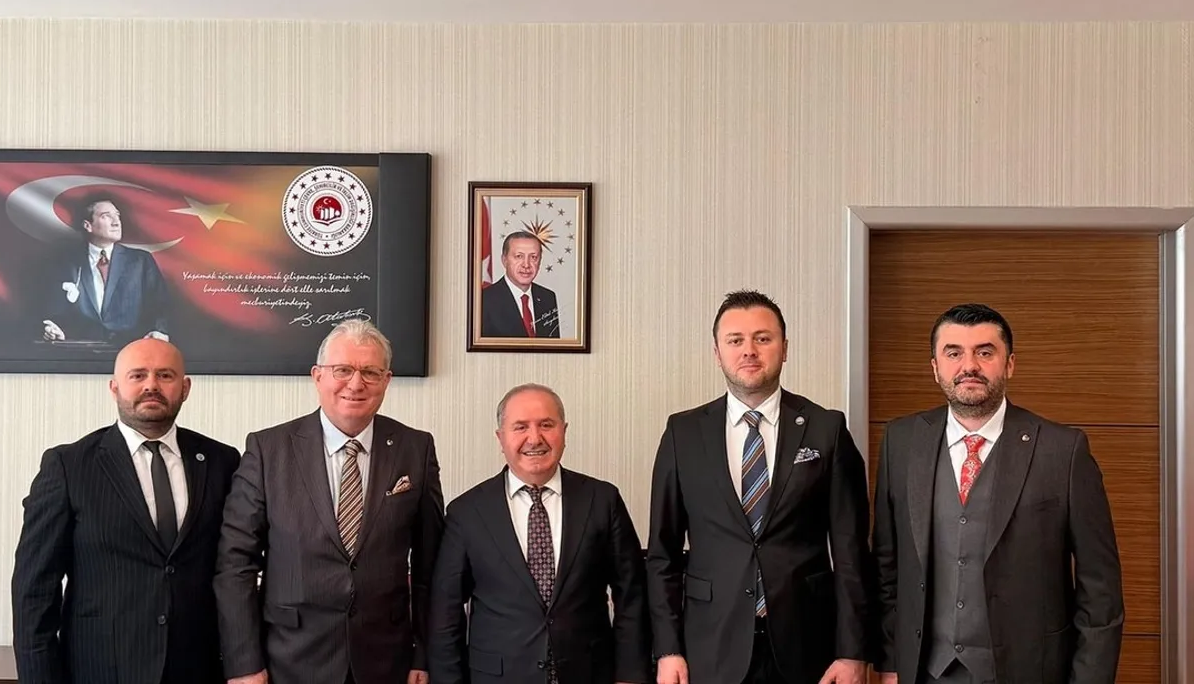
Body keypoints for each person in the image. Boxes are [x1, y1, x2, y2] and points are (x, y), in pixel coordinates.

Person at [872, 303, 1124, 684]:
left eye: (985, 352)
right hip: (925, 672)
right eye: (953, 353)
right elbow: (886, 565)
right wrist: (891, 663)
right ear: (935, 368)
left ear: (1009, 364)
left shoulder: (1063, 451)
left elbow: (1100, 592)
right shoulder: (901, 442)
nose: (969, 366)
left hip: (1029, 671)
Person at [647, 289, 872, 684]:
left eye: (762, 338)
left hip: (808, 645)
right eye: (735, 340)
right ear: (717, 353)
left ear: (784, 348)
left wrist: (852, 652)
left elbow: (851, 551)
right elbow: (662, 554)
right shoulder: (683, 433)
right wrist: (667, 649)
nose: (749, 350)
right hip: (710, 646)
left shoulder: (827, 429)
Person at [214, 319, 446, 684]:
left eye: (370, 372)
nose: (356, 383)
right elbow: (235, 564)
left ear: (387, 380)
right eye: (342, 370)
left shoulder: (415, 449)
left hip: (387, 660)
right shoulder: (268, 450)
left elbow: (431, 565)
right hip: (290, 658)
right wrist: (244, 663)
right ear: (317, 376)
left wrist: (424, 653)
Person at [11, 339, 240, 684]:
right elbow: (34, 588)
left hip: (199, 667)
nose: (151, 385)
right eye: (138, 375)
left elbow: (236, 569)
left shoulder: (222, 461)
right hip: (100, 669)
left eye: (165, 375)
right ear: (114, 388)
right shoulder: (69, 466)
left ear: (185, 388)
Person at [428, 384, 651, 684]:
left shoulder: (602, 500)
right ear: (500, 438)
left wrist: (630, 675)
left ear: (564, 431)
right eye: (520, 427)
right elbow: (446, 611)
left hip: (589, 672)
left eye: (546, 425)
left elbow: (632, 594)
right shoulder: (466, 512)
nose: (534, 438)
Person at [42, 191, 169, 344]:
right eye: (106, 216)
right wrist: (54, 328)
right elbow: (54, 309)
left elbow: (160, 304)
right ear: (88, 226)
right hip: (81, 350)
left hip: (131, 350)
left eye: (117, 216)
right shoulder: (67, 262)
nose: (116, 222)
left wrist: (159, 330)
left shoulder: (140, 261)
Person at [480, 232, 560, 338]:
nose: (526, 265)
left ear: (539, 261)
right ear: (504, 260)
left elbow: (553, 346)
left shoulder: (548, 298)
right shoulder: (483, 300)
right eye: (519, 256)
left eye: (533, 257)